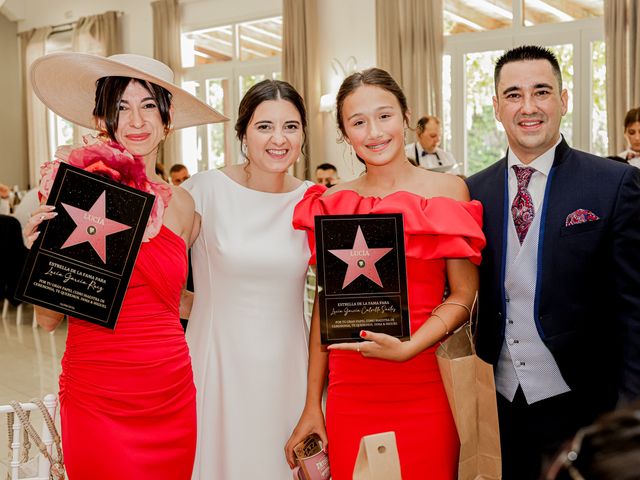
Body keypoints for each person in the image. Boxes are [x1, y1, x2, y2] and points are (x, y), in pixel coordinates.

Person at [24, 52, 226, 479]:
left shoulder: (185, 206)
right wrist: (40, 258)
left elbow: (174, 301)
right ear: (104, 119)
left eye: (149, 105)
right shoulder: (81, 192)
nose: (136, 119)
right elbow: (46, 320)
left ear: (167, 120)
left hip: (169, 390)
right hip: (97, 392)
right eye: (121, 107)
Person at [285, 68, 485, 480]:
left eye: (385, 116)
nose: (374, 132)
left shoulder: (447, 191)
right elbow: (326, 309)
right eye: (358, 122)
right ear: (344, 133)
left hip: (425, 381)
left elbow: (465, 295)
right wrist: (311, 405)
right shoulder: (332, 201)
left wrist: (412, 346)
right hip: (350, 389)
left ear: (406, 116)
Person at [466, 45, 640, 480]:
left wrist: (630, 412)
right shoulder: (472, 192)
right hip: (502, 404)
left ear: (563, 101)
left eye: (541, 92)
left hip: (587, 403)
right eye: (513, 95)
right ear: (496, 107)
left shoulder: (615, 183)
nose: (528, 107)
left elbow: (635, 310)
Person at [182, 79, 314, 479]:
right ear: (242, 133)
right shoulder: (204, 190)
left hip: (289, 366)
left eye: (291, 126)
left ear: (304, 133)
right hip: (217, 363)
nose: (279, 139)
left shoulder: (316, 199)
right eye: (264, 126)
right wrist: (199, 305)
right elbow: (154, 272)